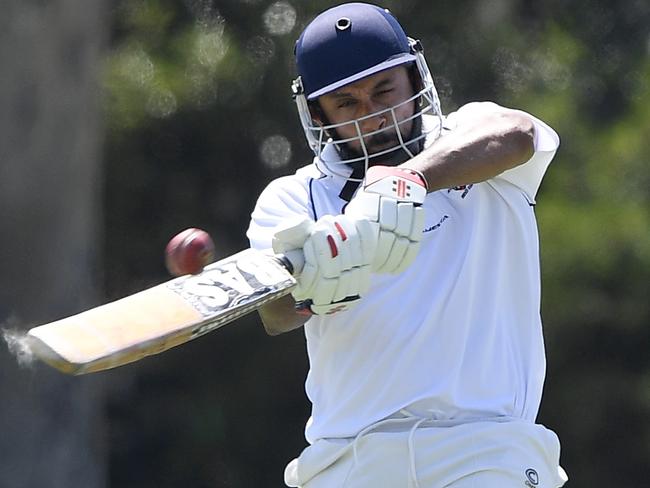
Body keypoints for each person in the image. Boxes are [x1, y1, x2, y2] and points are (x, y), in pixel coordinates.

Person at [247, 3, 568, 487]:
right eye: (347, 104)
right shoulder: (294, 199)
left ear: (414, 79)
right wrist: (316, 276)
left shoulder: (472, 134)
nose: (372, 116)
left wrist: (409, 179)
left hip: (486, 450)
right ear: (318, 114)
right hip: (347, 460)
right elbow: (275, 314)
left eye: (383, 91)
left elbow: (518, 136)